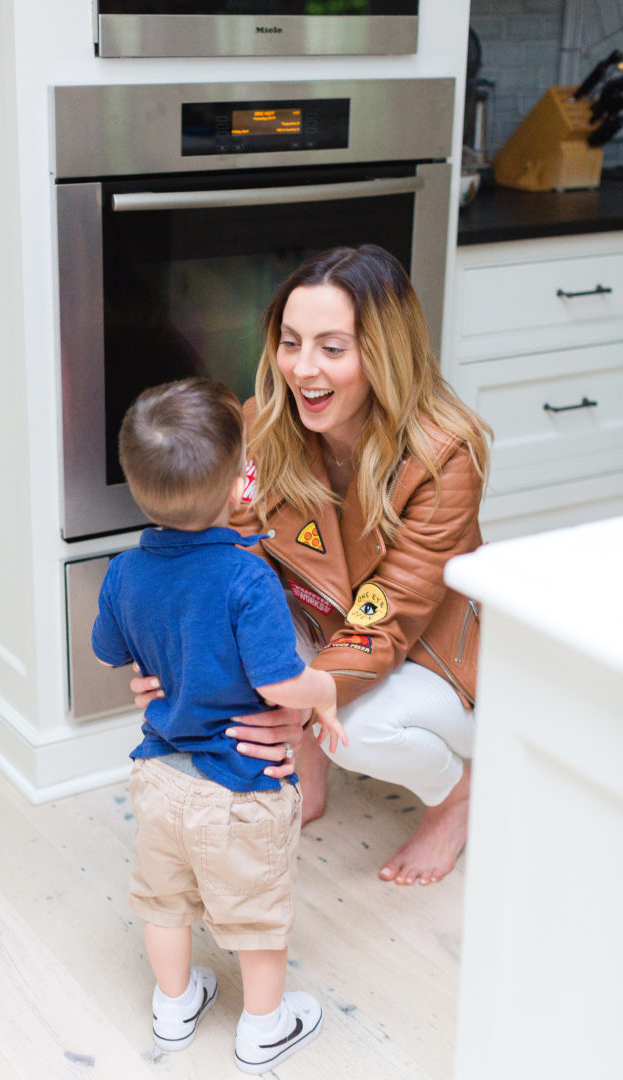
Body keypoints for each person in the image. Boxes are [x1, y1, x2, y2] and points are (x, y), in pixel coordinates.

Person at [131, 244, 491, 888]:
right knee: (235, 641)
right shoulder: (262, 426)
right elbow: (228, 563)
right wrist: (170, 658)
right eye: (290, 342)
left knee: (359, 722)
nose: (301, 368)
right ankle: (312, 772)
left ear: (384, 354)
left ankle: (456, 797)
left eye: (332, 347)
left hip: (424, 656)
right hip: (324, 626)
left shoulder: (446, 455)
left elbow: (391, 612)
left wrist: (303, 697)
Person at [91, 377, 347, 1074]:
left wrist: (156, 662)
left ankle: (173, 1008)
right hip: (239, 782)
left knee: (164, 900)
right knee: (260, 915)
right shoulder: (245, 578)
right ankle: (263, 1026)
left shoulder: (121, 571)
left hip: (158, 775)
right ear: (242, 484)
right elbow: (277, 681)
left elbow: (112, 652)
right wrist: (324, 691)